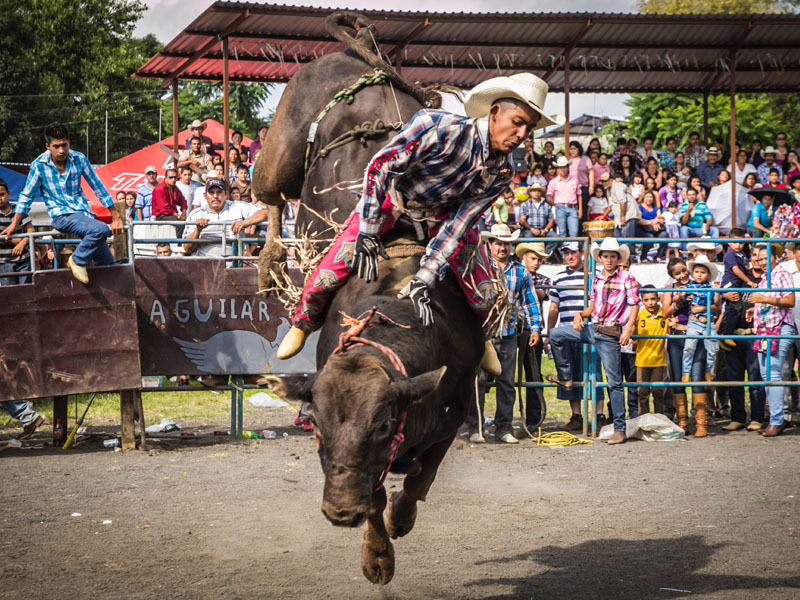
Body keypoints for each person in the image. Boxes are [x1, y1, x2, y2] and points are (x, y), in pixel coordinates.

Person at [276, 73, 562, 367]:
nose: (522, 134)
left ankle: (484, 336)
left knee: (486, 296)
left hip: (443, 217)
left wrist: (424, 279)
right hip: (394, 203)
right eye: (517, 122)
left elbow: (459, 226)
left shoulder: (501, 173)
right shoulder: (436, 126)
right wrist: (369, 232)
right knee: (335, 266)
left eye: (529, 128)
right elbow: (381, 167)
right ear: (494, 113)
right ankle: (303, 323)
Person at [0, 122, 122, 284]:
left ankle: (97, 299)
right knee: (100, 229)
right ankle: (77, 260)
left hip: (84, 215)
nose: (61, 150)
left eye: (64, 145)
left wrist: (116, 216)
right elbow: (26, 196)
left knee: (108, 263)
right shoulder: (39, 165)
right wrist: (15, 223)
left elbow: (97, 186)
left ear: (69, 143)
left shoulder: (79, 159)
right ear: (48, 146)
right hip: (61, 216)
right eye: (56, 146)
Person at [548, 238, 639, 445]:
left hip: (609, 333)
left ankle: (619, 429)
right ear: (600, 258)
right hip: (592, 328)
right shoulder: (597, 279)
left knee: (614, 382)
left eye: (612, 256)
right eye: (605, 256)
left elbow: (634, 305)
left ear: (618, 258)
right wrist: (581, 313)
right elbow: (593, 307)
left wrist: (629, 329)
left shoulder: (627, 277)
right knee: (555, 335)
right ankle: (566, 376)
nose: (608, 260)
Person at [467, 225, 541, 444]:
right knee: (478, 379)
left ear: (511, 246)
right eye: (498, 243)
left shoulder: (520, 271)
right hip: (482, 332)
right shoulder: (479, 268)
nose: (502, 247)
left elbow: (530, 301)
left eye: (506, 243)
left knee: (506, 380)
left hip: (508, 331)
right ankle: (476, 426)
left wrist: (535, 328)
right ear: (490, 245)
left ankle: (503, 427)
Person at [546, 241, 606, 430]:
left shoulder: (593, 276)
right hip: (566, 330)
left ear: (581, 253)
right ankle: (576, 416)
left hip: (588, 329)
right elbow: (554, 307)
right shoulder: (559, 277)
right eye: (566, 253)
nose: (570, 257)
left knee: (593, 371)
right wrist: (549, 332)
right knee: (569, 370)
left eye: (573, 252)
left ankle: (599, 415)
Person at [750, 244, 796, 437]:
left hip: (780, 328)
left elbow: (790, 300)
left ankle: (777, 421)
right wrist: (755, 309)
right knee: (766, 374)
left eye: (764, 258)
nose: (761, 263)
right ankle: (774, 419)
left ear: (775, 257)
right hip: (765, 330)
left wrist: (764, 300)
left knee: (773, 373)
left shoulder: (782, 273)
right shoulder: (764, 279)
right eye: (758, 259)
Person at [515, 241, 550, 431]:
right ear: (524, 258)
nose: (536, 263)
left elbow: (541, 294)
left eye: (539, 260)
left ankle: (533, 419)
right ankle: (504, 418)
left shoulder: (543, 279)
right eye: (533, 259)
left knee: (533, 373)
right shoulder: (513, 274)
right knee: (505, 373)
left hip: (531, 329)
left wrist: (521, 285)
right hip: (513, 327)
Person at [680, 255, 721, 406]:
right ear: (692, 273)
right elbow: (679, 295)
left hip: (708, 323)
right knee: (689, 347)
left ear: (708, 275)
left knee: (713, 349)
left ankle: (708, 371)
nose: (699, 274)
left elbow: (717, 304)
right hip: (694, 322)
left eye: (702, 272)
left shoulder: (711, 287)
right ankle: (685, 373)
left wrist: (716, 292)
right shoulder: (690, 286)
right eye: (696, 271)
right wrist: (681, 295)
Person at [183, 179, 260, 257]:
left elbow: (265, 212)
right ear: (205, 196)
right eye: (211, 193)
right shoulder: (196, 214)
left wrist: (245, 223)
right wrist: (198, 230)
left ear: (226, 195)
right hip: (206, 265)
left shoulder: (237, 207)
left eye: (219, 192)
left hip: (235, 264)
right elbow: (187, 248)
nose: (215, 196)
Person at [717, 228, 759, 349]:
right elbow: (736, 270)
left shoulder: (742, 254)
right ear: (729, 242)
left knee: (731, 308)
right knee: (735, 307)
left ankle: (723, 334)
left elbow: (746, 267)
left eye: (741, 242)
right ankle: (726, 334)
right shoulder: (730, 254)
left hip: (736, 284)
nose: (738, 245)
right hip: (730, 283)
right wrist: (748, 281)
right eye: (735, 242)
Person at [635, 285, 668, 415]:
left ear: (658, 299)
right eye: (647, 300)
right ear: (642, 301)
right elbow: (633, 334)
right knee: (642, 393)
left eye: (653, 299)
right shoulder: (639, 314)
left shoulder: (663, 314)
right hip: (642, 360)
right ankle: (643, 419)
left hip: (658, 361)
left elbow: (671, 327)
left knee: (658, 392)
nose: (650, 302)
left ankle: (660, 418)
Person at [0, 178, 35, 285]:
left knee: (26, 291)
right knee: (11, 293)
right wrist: (13, 240)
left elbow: (31, 230)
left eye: (2, 194)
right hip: (4, 261)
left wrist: (22, 244)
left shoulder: (18, 210)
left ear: (8, 194)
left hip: (24, 259)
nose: (0, 198)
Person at [601, 172, 642, 259]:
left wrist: (622, 217)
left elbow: (623, 201)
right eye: (602, 181)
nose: (604, 183)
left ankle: (630, 258)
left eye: (606, 181)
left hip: (628, 215)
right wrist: (603, 216)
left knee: (627, 237)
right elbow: (612, 205)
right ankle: (621, 258)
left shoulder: (618, 186)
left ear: (611, 180)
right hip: (620, 216)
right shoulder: (609, 189)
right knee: (617, 236)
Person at [546, 155, 580, 237]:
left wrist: (580, 209)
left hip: (572, 207)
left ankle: (573, 249)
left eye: (564, 167)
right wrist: (557, 204)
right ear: (557, 169)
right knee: (562, 232)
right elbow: (549, 196)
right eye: (561, 167)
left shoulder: (574, 180)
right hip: (560, 207)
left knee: (574, 231)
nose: (563, 169)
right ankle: (563, 249)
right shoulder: (553, 182)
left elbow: (579, 194)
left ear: (568, 167)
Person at [518, 183, 557, 253]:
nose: (536, 193)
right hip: (529, 230)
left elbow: (551, 221)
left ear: (541, 193)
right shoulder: (525, 205)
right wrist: (531, 229)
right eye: (534, 191)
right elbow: (522, 220)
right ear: (530, 193)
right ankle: (533, 256)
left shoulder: (547, 205)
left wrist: (545, 230)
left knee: (555, 237)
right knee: (528, 237)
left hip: (543, 230)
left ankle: (544, 255)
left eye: (538, 191)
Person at [568, 141, 593, 220]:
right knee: (572, 209)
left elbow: (591, 172)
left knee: (584, 209)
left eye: (574, 149)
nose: (572, 151)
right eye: (571, 149)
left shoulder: (585, 159)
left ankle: (583, 229)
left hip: (583, 187)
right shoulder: (567, 159)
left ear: (579, 149)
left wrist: (591, 186)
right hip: (570, 188)